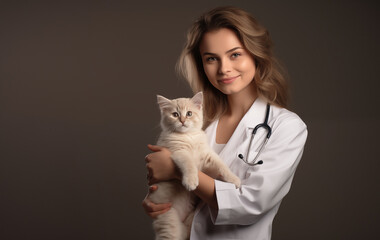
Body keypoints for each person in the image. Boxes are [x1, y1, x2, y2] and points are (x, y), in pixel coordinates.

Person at [143, 6, 308, 239]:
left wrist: (177, 170)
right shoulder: (199, 119)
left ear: (256, 54)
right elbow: (180, 187)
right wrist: (158, 199)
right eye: (211, 58)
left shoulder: (287, 127)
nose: (224, 69)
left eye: (235, 54)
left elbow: (251, 204)